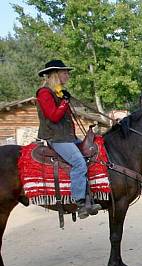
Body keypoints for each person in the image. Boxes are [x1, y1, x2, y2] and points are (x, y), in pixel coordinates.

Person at [36, 59, 101, 219]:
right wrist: (65, 101)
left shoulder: (57, 92)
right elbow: (53, 116)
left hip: (67, 137)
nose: (67, 75)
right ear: (55, 74)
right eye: (65, 72)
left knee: (93, 153)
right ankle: (80, 203)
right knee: (79, 162)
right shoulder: (44, 93)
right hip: (56, 138)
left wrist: (64, 99)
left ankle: (89, 197)